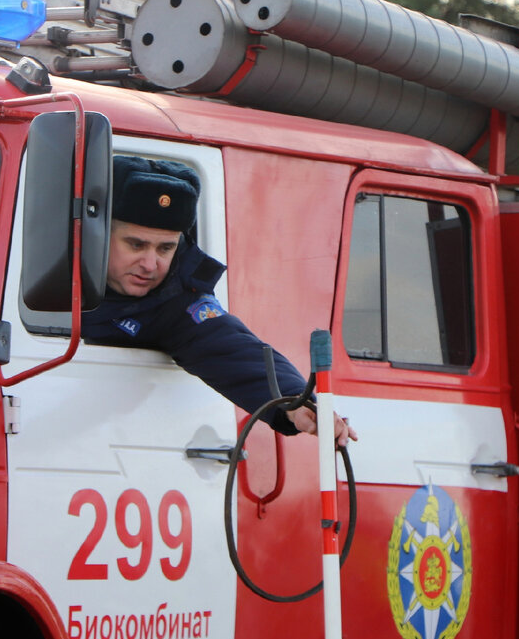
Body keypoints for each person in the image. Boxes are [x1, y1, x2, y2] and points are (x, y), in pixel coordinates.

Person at [82, 155, 356, 446]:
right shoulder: (45, 268)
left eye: (165, 248)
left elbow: (232, 349)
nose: (150, 264)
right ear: (98, 236)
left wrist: (297, 402)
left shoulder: (178, 300)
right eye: (136, 244)